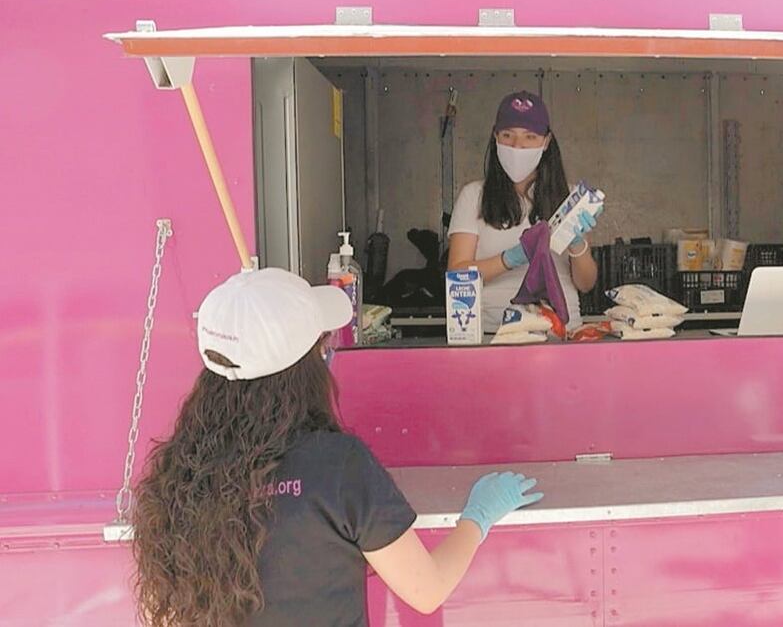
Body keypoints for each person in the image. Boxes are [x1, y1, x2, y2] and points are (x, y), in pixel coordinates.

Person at [131, 268, 543, 626]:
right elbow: (427, 589)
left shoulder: (176, 476)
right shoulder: (338, 466)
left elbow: (163, 615)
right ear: (306, 366)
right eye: (321, 344)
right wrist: (478, 517)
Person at [447, 90, 599, 332]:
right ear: (495, 137)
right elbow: (456, 274)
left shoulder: (567, 198)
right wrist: (509, 259)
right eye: (508, 135)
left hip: (560, 332)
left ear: (546, 141)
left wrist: (577, 245)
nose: (518, 146)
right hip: (494, 333)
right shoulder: (473, 196)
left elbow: (586, 284)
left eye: (530, 137)